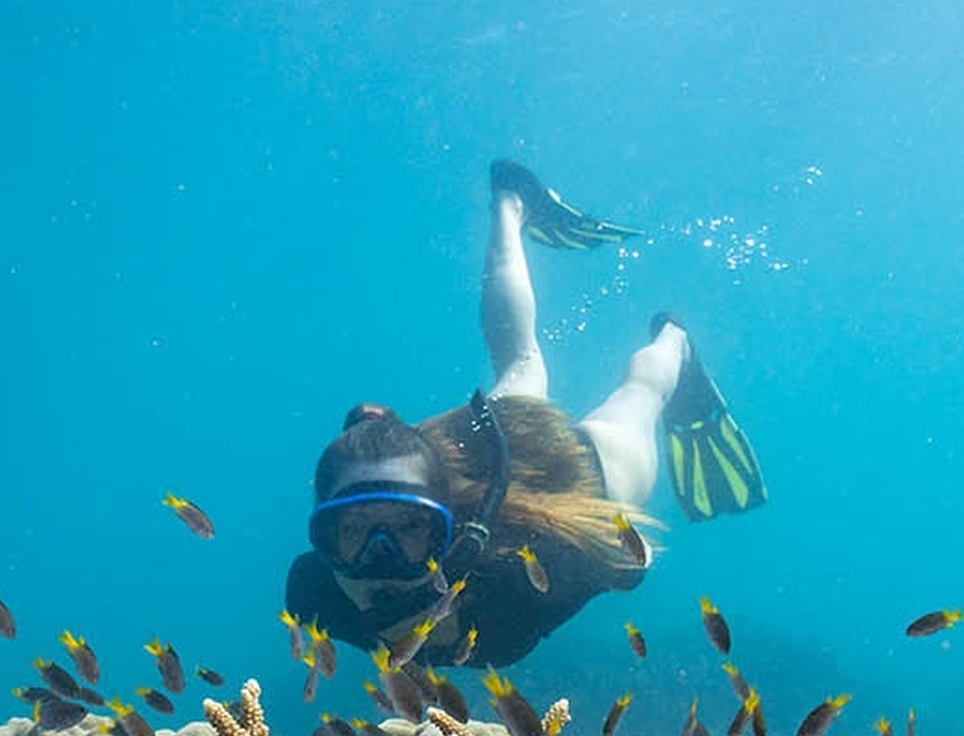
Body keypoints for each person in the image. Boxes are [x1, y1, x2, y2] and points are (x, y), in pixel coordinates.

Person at [285, 160, 767, 670]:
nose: (380, 562)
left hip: (581, 474)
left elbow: (631, 560)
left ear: (446, 526)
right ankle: (509, 202)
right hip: (485, 439)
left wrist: (616, 556)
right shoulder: (313, 596)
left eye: (409, 527)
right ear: (322, 539)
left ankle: (676, 342)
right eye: (353, 531)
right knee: (520, 362)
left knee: (641, 394)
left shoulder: (540, 571)